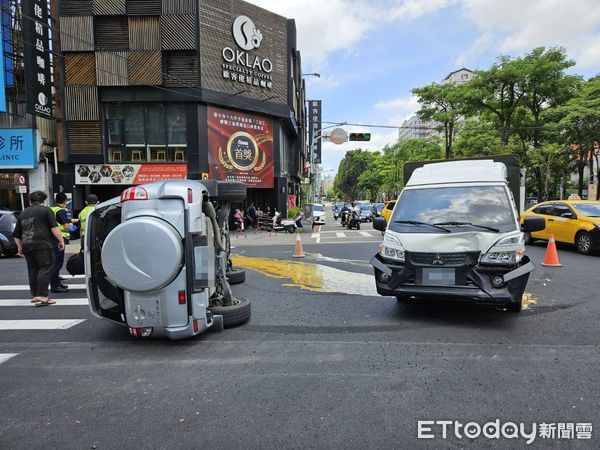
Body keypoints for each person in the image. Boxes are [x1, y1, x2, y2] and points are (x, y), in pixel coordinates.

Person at [12, 191, 65, 306]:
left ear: (30, 200)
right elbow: (54, 228)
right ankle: (42, 296)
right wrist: (61, 240)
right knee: (46, 268)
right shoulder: (46, 210)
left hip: (27, 245)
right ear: (43, 200)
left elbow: (16, 235)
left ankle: (35, 295)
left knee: (33, 270)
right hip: (42, 244)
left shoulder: (23, 213)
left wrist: (19, 247)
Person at [50, 193, 71, 293]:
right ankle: (55, 285)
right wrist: (70, 226)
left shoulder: (52, 209)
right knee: (57, 262)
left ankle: (57, 283)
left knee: (54, 261)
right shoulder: (61, 211)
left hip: (51, 238)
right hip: (59, 238)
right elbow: (66, 226)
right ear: (65, 201)